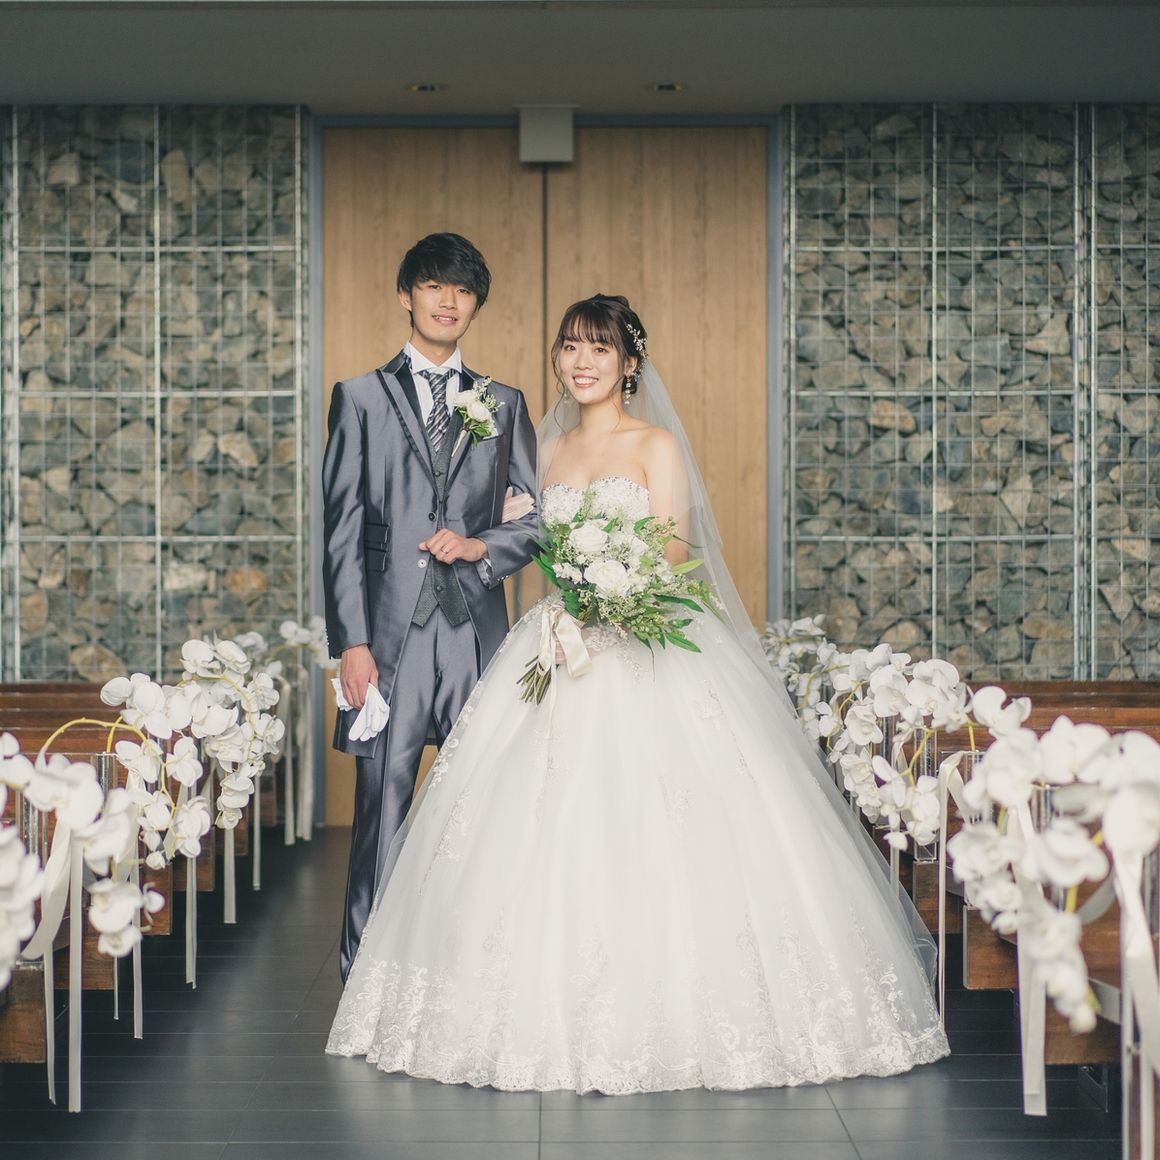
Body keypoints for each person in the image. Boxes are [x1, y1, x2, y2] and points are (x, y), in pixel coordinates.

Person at [326, 294, 949, 1092]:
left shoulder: (655, 445)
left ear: (628, 363)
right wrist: (512, 551)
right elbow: (522, 537)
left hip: (640, 641)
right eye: (570, 347)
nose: (581, 362)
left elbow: (674, 550)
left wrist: (611, 593)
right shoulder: (543, 448)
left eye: (599, 348)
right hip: (558, 645)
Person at [321, 233, 539, 982]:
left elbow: (537, 519)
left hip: (477, 634)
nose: (449, 300)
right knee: (381, 807)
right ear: (406, 295)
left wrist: (482, 545)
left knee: (482, 807)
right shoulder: (359, 398)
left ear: (476, 305)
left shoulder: (503, 403)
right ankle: (365, 978)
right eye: (434, 285)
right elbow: (342, 530)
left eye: (463, 290)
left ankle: (471, 974)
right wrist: (351, 643)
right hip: (390, 641)